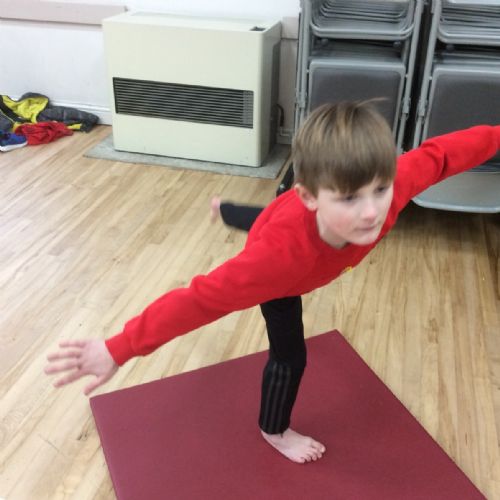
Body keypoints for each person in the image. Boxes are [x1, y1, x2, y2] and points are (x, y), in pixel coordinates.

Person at [45, 101, 500, 464]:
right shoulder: (273, 266)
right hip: (285, 270)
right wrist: (118, 347)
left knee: (270, 216)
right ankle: (274, 430)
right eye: (349, 198)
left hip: (290, 215)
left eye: (379, 190)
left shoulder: (392, 188)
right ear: (312, 196)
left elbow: (443, 154)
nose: (371, 212)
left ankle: (225, 209)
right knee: (290, 355)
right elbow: (197, 300)